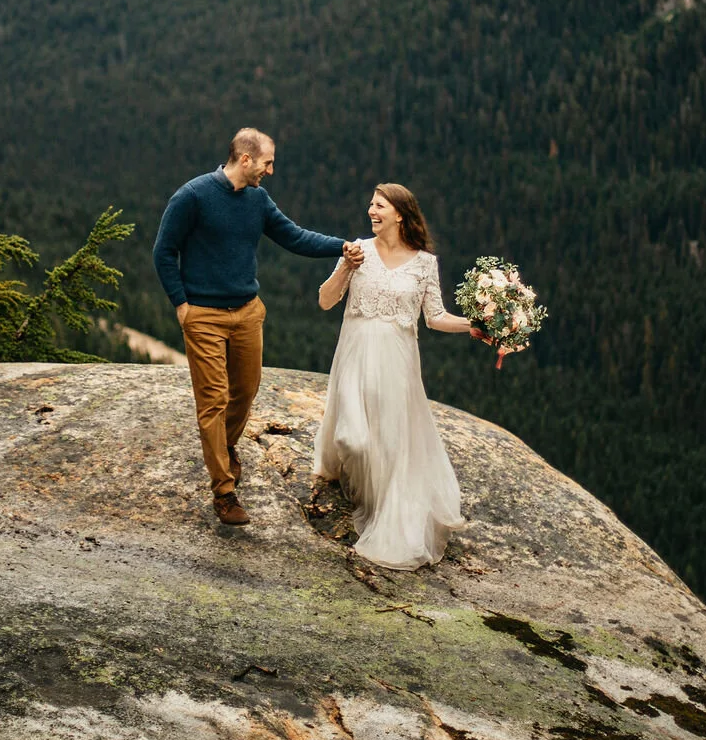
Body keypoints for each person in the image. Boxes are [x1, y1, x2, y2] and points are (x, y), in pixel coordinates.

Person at [154, 128, 363, 526]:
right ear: (246, 159)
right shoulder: (192, 196)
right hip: (204, 316)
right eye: (268, 162)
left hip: (248, 312)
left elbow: (295, 237)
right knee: (213, 399)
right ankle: (224, 491)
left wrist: (343, 246)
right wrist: (181, 305)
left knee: (246, 390)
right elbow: (164, 251)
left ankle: (227, 444)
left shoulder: (257, 199)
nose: (271, 170)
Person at [311, 183, 495, 570]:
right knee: (353, 438)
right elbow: (326, 300)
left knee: (391, 441)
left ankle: (382, 506)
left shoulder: (425, 263)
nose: (371, 211)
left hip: (398, 364)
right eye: (370, 205)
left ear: (400, 213)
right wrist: (345, 265)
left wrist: (473, 325)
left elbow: (435, 317)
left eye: (379, 206)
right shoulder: (357, 250)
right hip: (355, 356)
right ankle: (357, 486)